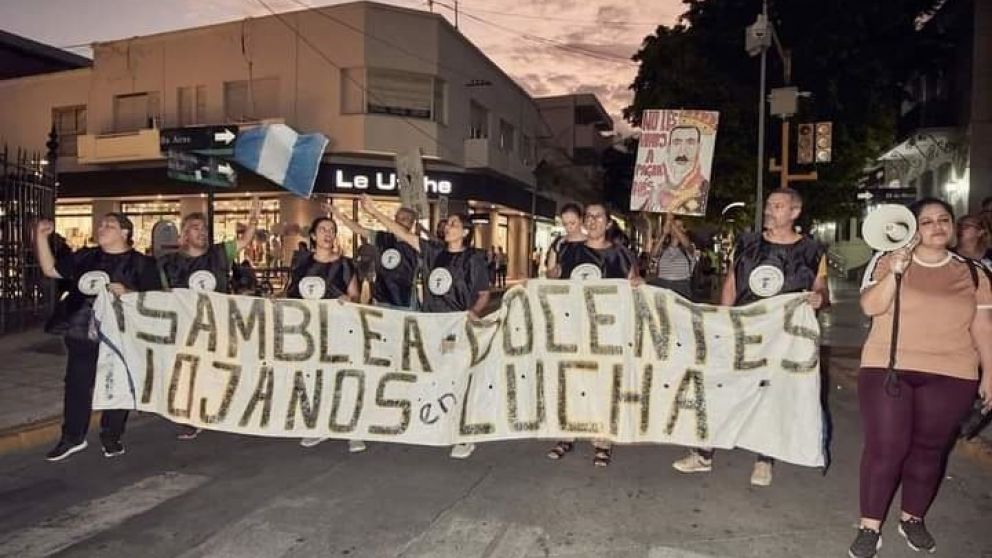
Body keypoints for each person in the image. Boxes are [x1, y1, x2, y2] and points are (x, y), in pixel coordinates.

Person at [847, 198, 992, 558]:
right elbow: (870, 307)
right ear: (913, 227)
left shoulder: (973, 272)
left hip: (953, 372)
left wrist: (991, 371)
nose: (937, 226)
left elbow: (982, 326)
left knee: (929, 450)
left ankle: (912, 518)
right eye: (926, 221)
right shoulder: (886, 260)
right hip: (889, 365)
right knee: (887, 449)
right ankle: (870, 526)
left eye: (944, 219)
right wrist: (896, 270)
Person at [671, 187, 828, 486]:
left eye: (778, 206)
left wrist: (819, 299)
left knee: (770, 394)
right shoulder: (747, 242)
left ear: (795, 212)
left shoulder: (812, 251)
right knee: (722, 386)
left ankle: (764, 458)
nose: (770, 210)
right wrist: (721, 319)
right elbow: (732, 280)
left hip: (781, 336)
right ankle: (703, 452)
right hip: (743, 330)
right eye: (768, 205)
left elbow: (821, 290)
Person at [359, 194, 490, 460]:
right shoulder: (433, 252)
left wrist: (474, 313)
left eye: (453, 223)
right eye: (447, 223)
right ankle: (438, 423)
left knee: (456, 377)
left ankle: (464, 435)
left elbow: (484, 294)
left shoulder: (473, 259)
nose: (447, 226)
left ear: (465, 232)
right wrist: (373, 210)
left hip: (455, 328)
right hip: (431, 325)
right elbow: (400, 232)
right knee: (433, 375)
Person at [35, 213, 162, 462]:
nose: (101, 227)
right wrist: (40, 237)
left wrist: (129, 293)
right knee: (77, 384)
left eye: (109, 225)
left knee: (118, 383)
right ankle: (72, 437)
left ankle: (111, 434)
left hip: (121, 335)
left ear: (125, 233)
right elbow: (51, 269)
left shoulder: (142, 264)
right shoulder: (86, 257)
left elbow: (155, 300)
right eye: (101, 224)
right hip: (82, 330)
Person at [545, 203, 641, 467]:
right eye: (589, 216)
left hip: (606, 334)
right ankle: (566, 434)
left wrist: (637, 285)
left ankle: (602, 441)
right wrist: (552, 269)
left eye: (599, 216)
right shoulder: (569, 249)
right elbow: (553, 279)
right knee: (570, 381)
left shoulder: (621, 255)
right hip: (572, 328)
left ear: (608, 222)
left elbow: (636, 285)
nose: (593, 220)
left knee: (602, 385)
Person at [157, 200, 258, 439]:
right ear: (183, 235)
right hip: (187, 328)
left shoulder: (220, 254)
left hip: (219, 325)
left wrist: (253, 219)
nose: (201, 232)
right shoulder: (168, 263)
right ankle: (192, 417)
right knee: (189, 373)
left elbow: (245, 241)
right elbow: (161, 296)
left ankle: (224, 410)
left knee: (220, 370)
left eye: (204, 229)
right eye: (195, 228)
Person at [285, 216, 363, 452]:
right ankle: (320, 427)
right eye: (323, 230)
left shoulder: (346, 264)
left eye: (332, 230)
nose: (328, 234)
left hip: (339, 328)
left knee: (343, 376)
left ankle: (353, 429)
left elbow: (357, 296)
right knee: (315, 378)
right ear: (313, 236)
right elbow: (292, 292)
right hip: (310, 330)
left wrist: (349, 300)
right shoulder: (301, 263)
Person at [329, 202, 420, 309]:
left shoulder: (416, 244)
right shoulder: (382, 237)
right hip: (382, 298)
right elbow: (358, 229)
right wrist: (337, 213)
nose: (399, 222)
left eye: (404, 219)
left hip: (405, 300)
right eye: (397, 218)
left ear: (412, 223)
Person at [648, 215, 697, 299]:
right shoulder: (663, 249)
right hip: (662, 285)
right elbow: (653, 254)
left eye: (679, 227)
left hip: (681, 287)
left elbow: (686, 243)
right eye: (673, 227)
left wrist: (671, 222)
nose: (675, 229)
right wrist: (664, 234)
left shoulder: (689, 248)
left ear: (684, 230)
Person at [544, 203, 586, 275]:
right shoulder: (559, 243)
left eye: (572, 223)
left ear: (581, 220)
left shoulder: (591, 242)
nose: (569, 227)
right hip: (564, 285)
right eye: (565, 224)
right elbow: (549, 273)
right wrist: (554, 272)